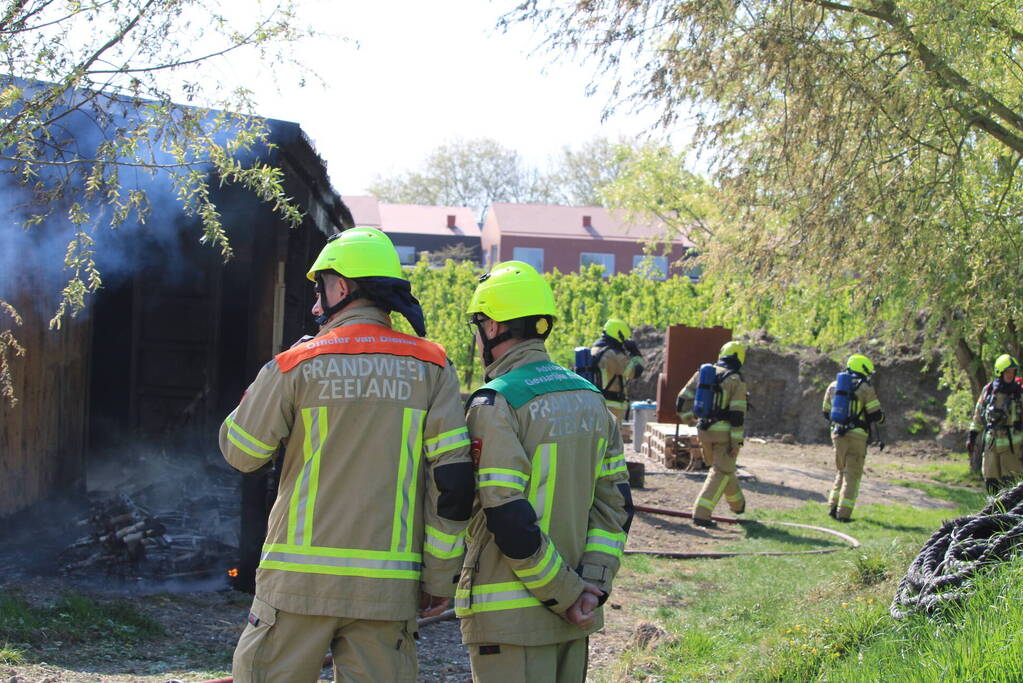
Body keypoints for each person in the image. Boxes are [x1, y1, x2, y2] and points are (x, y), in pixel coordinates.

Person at [220, 227, 475, 683]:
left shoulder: (296, 364)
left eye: (320, 290)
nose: (317, 306)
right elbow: (453, 483)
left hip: (296, 587)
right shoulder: (433, 366)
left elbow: (242, 453)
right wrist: (439, 578)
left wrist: (258, 390)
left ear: (341, 286)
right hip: (388, 590)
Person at [457, 261, 633, 683]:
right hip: (576, 617)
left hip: (511, 620)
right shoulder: (591, 399)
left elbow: (508, 516)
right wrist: (591, 587)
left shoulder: (497, 403)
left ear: (494, 327)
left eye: (478, 324)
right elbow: (617, 509)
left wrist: (566, 593)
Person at [675, 341, 749, 527]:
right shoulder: (736, 380)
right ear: (740, 358)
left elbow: (681, 400)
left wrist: (690, 420)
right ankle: (702, 513)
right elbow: (737, 415)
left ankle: (738, 505)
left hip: (704, 430)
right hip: (723, 434)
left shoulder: (703, 373)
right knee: (721, 470)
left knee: (723, 468)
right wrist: (736, 443)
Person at [821, 354, 884, 522]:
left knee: (841, 471)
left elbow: (826, 412)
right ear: (862, 368)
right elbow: (875, 414)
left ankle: (832, 507)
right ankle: (844, 514)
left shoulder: (834, 386)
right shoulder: (865, 387)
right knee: (852, 475)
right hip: (857, 437)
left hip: (837, 435)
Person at [968, 354, 1023, 493]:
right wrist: (972, 436)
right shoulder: (988, 390)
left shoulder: (1019, 393)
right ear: (1000, 372)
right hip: (991, 445)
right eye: (1007, 372)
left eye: (1013, 372)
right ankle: (993, 514)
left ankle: (1012, 515)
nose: (1010, 375)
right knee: (991, 483)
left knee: (1012, 486)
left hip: (1013, 448)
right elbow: (979, 414)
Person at [590, 318, 645, 425]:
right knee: (611, 440)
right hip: (611, 406)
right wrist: (635, 352)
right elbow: (635, 371)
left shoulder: (596, 349)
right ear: (619, 334)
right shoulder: (612, 354)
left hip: (598, 403)